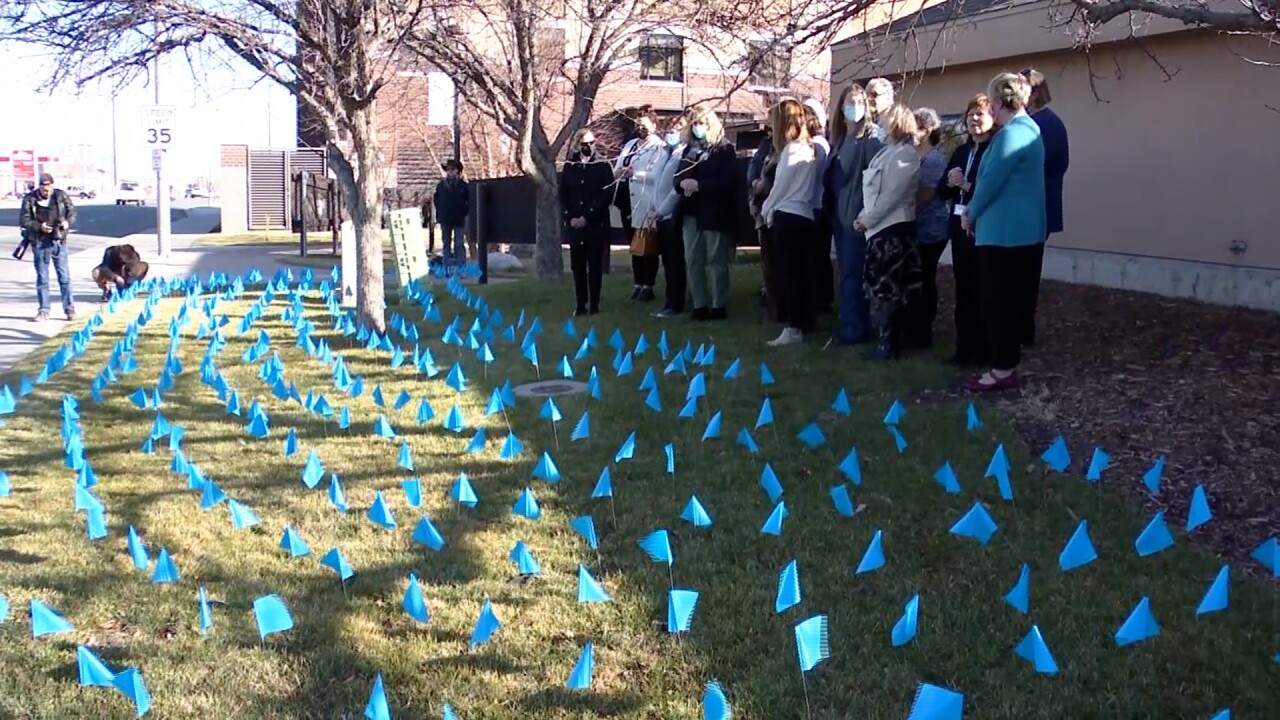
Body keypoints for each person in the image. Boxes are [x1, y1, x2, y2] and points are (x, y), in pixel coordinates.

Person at [961, 72, 1046, 392]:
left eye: (992, 102)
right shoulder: (1031, 129)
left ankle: (1001, 370)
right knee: (1007, 303)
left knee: (997, 303)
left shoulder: (1011, 135)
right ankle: (1004, 364)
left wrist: (970, 213)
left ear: (998, 102)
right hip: (1020, 232)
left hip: (1003, 235)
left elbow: (991, 182)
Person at [855, 104, 921, 360]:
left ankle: (891, 344)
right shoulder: (884, 153)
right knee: (877, 289)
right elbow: (873, 193)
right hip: (876, 230)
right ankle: (883, 339)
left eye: (885, 120)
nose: (880, 125)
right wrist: (863, 218)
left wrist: (867, 220)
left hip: (893, 232)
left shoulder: (905, 154)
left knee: (890, 290)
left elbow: (892, 196)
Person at [937, 94, 995, 367]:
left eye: (979, 114)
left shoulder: (994, 151)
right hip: (958, 228)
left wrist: (966, 186)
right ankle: (963, 349)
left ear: (992, 119)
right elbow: (941, 191)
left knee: (982, 289)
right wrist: (950, 182)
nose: (973, 119)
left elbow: (992, 191)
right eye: (970, 114)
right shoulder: (961, 151)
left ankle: (984, 350)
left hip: (984, 228)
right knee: (963, 290)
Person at [825, 83, 884, 345]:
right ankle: (850, 322)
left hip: (857, 217)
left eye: (860, 102)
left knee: (854, 273)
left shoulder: (871, 138)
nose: (855, 107)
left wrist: (864, 214)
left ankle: (856, 329)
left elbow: (875, 180)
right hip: (838, 215)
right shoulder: (839, 138)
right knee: (847, 273)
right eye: (850, 102)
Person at [761, 99, 818, 347]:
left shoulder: (792, 150)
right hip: (805, 215)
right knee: (802, 273)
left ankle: (793, 327)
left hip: (788, 214)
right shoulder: (810, 148)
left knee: (789, 274)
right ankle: (805, 321)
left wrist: (766, 208)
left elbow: (780, 186)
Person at [1020, 67, 1070, 348]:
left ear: (1035, 91)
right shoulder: (1025, 123)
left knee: (1026, 274)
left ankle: (1023, 332)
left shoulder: (1048, 125)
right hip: (1024, 210)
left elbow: (1046, 167)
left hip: (1037, 210)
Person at [674, 103, 738, 321]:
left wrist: (699, 185)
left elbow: (728, 183)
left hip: (715, 212)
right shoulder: (689, 150)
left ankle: (719, 304)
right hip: (691, 212)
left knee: (716, 259)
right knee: (693, 259)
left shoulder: (724, 150)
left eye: (702, 123)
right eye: (694, 124)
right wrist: (683, 184)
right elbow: (677, 178)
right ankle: (700, 305)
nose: (698, 128)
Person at [904, 107, 950, 350]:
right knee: (915, 280)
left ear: (929, 130)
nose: (913, 132)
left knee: (925, 279)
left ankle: (923, 333)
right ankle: (913, 328)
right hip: (915, 229)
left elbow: (925, 195)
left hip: (931, 230)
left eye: (918, 127)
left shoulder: (933, 160)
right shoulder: (913, 157)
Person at [615, 106, 669, 303]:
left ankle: (648, 285)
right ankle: (637, 284)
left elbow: (658, 175)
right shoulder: (630, 145)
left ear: (654, 126)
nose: (641, 129)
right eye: (638, 125)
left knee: (647, 244)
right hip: (628, 200)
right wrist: (619, 171)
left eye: (645, 126)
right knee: (634, 244)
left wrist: (635, 174)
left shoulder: (659, 148)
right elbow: (618, 166)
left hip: (646, 201)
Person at [559, 129, 615, 316]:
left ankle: (594, 304)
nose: (588, 147)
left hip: (595, 224)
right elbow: (564, 194)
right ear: (578, 145)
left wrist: (587, 217)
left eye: (591, 143)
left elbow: (606, 195)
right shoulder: (571, 165)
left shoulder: (602, 165)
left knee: (595, 266)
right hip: (575, 224)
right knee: (578, 266)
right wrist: (571, 217)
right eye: (585, 144)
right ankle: (580, 303)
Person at [20, 173, 77, 322]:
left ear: (52, 185)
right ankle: (44, 310)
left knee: (64, 277)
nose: (46, 193)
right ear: (40, 187)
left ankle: (69, 309)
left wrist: (67, 222)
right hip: (40, 243)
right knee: (42, 279)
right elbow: (24, 220)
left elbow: (72, 211)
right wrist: (40, 227)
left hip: (58, 241)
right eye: (44, 190)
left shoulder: (60, 195)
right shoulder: (30, 199)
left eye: (49, 189)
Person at [649, 115, 690, 318]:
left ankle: (676, 303)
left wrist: (663, 209)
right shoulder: (664, 152)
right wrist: (653, 208)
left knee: (675, 261)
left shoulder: (684, 154)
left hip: (672, 214)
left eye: (677, 128)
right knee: (667, 261)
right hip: (659, 214)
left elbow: (676, 188)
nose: (671, 133)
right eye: (670, 129)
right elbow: (657, 184)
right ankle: (668, 302)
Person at [802, 98, 835, 317]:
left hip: (817, 206)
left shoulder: (818, 145)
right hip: (814, 205)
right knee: (815, 256)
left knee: (817, 256)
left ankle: (821, 300)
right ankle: (820, 298)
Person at [433, 159, 470, 271]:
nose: (450, 172)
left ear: (457, 171)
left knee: (459, 244)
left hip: (459, 218)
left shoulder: (463, 186)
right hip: (445, 218)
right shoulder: (441, 186)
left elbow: (469, 201)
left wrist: (465, 212)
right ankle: (446, 268)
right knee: (446, 244)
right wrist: (439, 214)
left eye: (452, 169)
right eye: (448, 170)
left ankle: (461, 268)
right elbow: (437, 200)